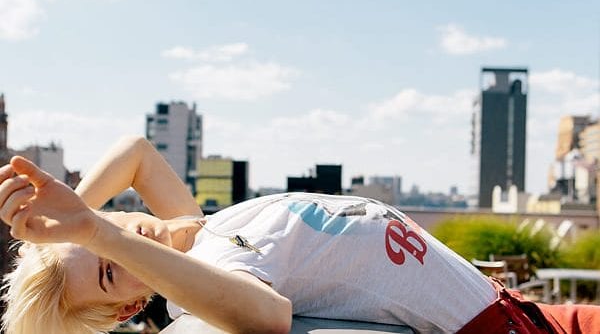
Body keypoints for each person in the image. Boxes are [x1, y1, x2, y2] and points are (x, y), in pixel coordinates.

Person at [0, 136, 598, 334]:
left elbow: (137, 155)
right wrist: (97, 233)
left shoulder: (203, 231)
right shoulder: (207, 287)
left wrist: (71, 219)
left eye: (105, 227)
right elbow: (265, 316)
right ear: (132, 306)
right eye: (107, 267)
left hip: (528, 310)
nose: (115, 236)